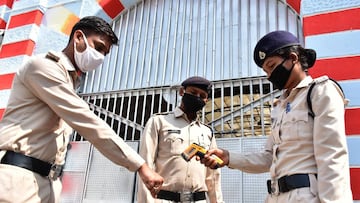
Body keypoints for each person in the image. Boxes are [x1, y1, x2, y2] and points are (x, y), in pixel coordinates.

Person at [0, 16, 163, 202]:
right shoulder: (43, 67)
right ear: (78, 37)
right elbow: (87, 121)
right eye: (98, 47)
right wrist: (140, 165)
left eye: (105, 53)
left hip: (46, 182)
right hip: (18, 179)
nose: (100, 57)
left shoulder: (70, 81)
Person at [200, 30, 353, 202]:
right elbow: (268, 158)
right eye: (266, 71)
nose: (270, 75)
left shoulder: (320, 91)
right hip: (275, 197)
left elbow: (332, 156)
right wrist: (229, 157)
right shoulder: (280, 105)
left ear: (293, 58)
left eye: (272, 66)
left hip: (307, 197)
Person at [137, 76, 224, 203]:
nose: (197, 97)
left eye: (202, 95)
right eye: (193, 92)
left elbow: (213, 175)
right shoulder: (159, 122)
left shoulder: (207, 131)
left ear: (206, 100)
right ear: (182, 92)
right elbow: (146, 165)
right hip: (165, 199)